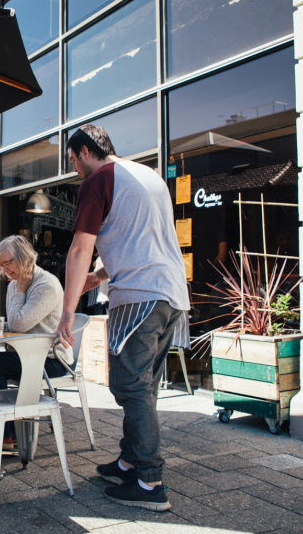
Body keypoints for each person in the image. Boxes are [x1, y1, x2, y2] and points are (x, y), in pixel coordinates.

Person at [55, 124, 189, 512]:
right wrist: (99, 277)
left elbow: (81, 249)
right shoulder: (147, 176)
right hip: (171, 295)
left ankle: (149, 482)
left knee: (129, 387)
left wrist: (67, 312)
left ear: (83, 151)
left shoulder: (98, 180)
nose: (74, 168)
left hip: (139, 298)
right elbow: (144, 240)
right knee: (142, 388)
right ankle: (129, 461)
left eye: (72, 159)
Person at [0, 235, 73, 447]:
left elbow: (18, 324)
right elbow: (16, 322)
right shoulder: (15, 284)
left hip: (51, 361)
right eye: (1, 265)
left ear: (25, 257)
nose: (5, 270)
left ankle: (3, 436)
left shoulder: (46, 285)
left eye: (8, 263)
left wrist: (20, 291)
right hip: (26, 355)